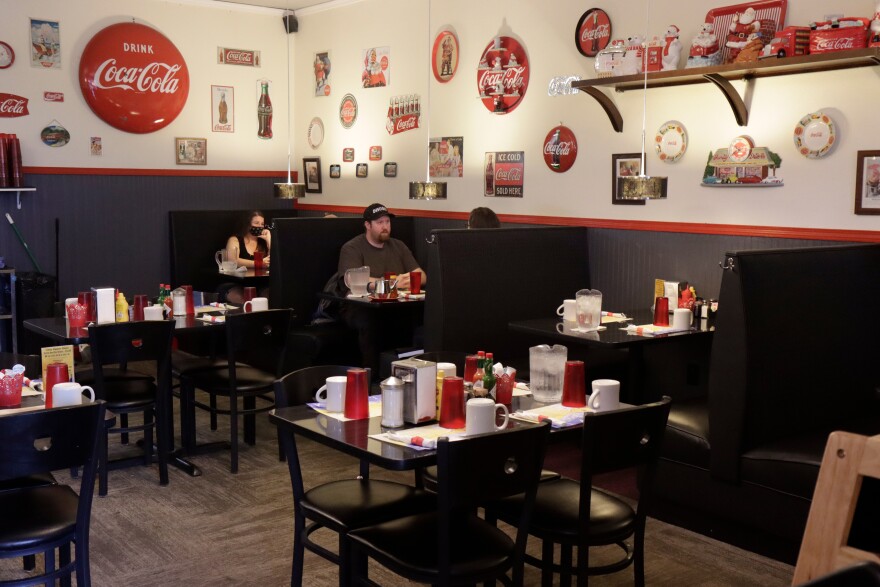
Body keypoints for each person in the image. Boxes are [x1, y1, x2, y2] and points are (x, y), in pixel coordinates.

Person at [337, 203, 426, 376]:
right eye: (379, 222)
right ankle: (372, 377)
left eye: (387, 222)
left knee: (419, 318)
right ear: (367, 225)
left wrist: (408, 280)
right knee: (371, 321)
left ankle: (409, 374)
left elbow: (421, 275)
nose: (385, 226)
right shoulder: (352, 248)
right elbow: (351, 279)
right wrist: (390, 283)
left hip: (397, 305)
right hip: (360, 307)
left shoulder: (398, 246)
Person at [221, 211, 271, 304]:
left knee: (268, 298)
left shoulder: (263, 242)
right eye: (256, 223)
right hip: (236, 282)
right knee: (244, 300)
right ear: (247, 225)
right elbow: (233, 261)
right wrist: (259, 263)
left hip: (261, 283)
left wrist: (269, 239)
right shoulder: (235, 240)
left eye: (262, 224)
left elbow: (275, 259)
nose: (260, 226)